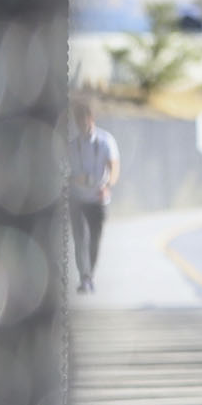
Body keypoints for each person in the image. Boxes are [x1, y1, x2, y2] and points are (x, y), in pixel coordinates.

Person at [69, 102, 120, 291]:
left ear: (91, 119)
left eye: (84, 119)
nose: (82, 124)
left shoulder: (106, 141)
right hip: (77, 199)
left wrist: (107, 185)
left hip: (98, 199)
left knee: (94, 239)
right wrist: (75, 179)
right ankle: (84, 276)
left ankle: (90, 273)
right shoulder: (72, 146)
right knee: (79, 238)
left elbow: (114, 167)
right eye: (78, 120)